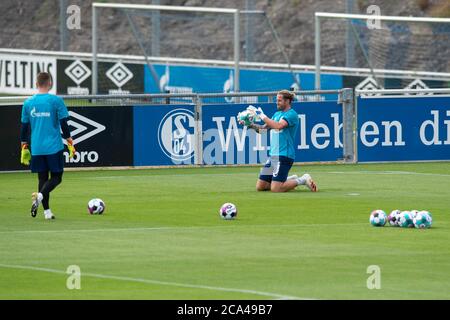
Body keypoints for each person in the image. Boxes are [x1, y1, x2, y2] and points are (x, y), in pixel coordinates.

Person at [238, 90, 318, 193]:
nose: (277, 102)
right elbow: (263, 130)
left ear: (287, 101)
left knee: (276, 189)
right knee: (261, 186)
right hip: (273, 156)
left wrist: (262, 116)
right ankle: (286, 180)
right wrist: (250, 125)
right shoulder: (276, 114)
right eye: (277, 100)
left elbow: (278, 126)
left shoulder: (292, 114)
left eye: (279, 100)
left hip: (284, 155)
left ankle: (303, 179)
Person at [20, 72, 75, 220]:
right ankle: (40, 196)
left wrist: (24, 145)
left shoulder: (28, 103)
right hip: (53, 147)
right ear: (50, 83)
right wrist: (69, 139)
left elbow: (24, 127)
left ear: (36, 84)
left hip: (37, 147)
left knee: (42, 179)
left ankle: (47, 212)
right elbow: (64, 123)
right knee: (57, 177)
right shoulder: (56, 101)